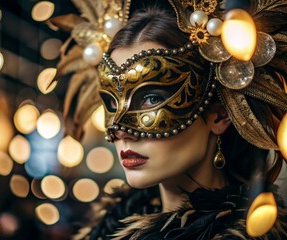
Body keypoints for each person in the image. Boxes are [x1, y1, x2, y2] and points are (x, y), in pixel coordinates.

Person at [59, 0, 287, 239]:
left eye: (150, 99)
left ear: (219, 116)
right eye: (112, 104)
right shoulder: (107, 229)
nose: (120, 129)